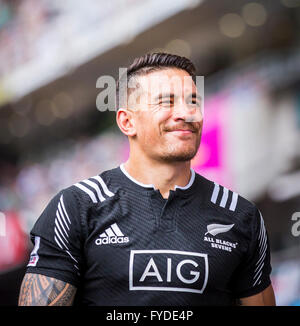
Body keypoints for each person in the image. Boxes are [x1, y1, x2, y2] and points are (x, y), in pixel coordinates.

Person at [18, 53, 275, 306]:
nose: (186, 113)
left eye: (193, 102)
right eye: (166, 102)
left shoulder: (240, 215)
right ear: (128, 121)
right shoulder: (76, 207)